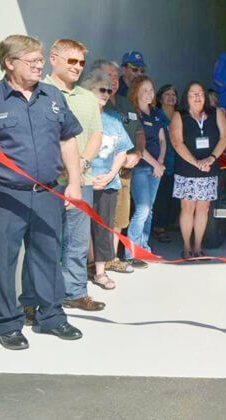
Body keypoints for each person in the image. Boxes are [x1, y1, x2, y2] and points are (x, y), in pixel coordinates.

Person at [0, 34, 84, 350]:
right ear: (10, 63)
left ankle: (51, 317)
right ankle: (6, 324)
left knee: (47, 256)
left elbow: (68, 140)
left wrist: (75, 183)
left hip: (46, 194)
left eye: (41, 60)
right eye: (32, 61)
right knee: (2, 262)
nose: (40, 65)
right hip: (3, 195)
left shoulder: (52, 96)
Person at [32, 39, 104, 312]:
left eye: (81, 62)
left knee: (77, 241)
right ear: (54, 58)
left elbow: (96, 134)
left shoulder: (87, 97)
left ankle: (74, 293)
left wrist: (81, 162)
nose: (77, 67)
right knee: (44, 241)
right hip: (46, 183)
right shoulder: (38, 91)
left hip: (79, 182)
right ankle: (39, 299)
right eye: (71, 61)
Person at [90, 59, 145, 272]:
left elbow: (139, 132)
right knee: (97, 218)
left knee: (119, 217)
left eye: (114, 76)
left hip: (124, 169)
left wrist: (138, 153)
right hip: (98, 172)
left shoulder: (125, 103)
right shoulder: (91, 104)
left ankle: (111, 259)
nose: (113, 80)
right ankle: (93, 262)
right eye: (108, 76)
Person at [80, 69, 132, 291]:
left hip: (107, 183)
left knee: (103, 229)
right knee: (78, 231)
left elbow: (122, 151)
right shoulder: (78, 117)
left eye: (108, 90)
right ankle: (78, 273)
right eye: (101, 89)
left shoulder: (112, 119)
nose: (105, 93)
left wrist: (111, 174)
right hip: (82, 183)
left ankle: (100, 272)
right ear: (88, 91)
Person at [169, 81, 226, 258]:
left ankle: (197, 246)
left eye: (200, 93)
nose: (197, 96)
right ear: (186, 97)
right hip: (187, 169)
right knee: (187, 208)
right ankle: (187, 247)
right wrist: (197, 163)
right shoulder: (179, 115)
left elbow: (224, 138)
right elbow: (177, 143)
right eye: (193, 93)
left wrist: (210, 159)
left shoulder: (216, 113)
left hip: (209, 168)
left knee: (203, 208)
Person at [125, 75, 166, 264]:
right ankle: (131, 252)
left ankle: (144, 248)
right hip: (140, 168)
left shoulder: (156, 113)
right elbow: (138, 144)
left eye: (151, 90)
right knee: (142, 209)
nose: (150, 94)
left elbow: (162, 140)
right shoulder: (133, 113)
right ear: (136, 93)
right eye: (145, 90)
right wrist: (155, 164)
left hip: (155, 169)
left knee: (149, 211)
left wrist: (160, 163)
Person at [151, 84, 179, 244]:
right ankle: (158, 228)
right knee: (161, 196)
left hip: (178, 162)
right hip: (161, 161)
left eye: (173, 94)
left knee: (173, 195)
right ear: (160, 98)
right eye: (167, 94)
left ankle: (169, 223)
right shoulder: (156, 115)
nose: (170, 97)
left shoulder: (180, 116)